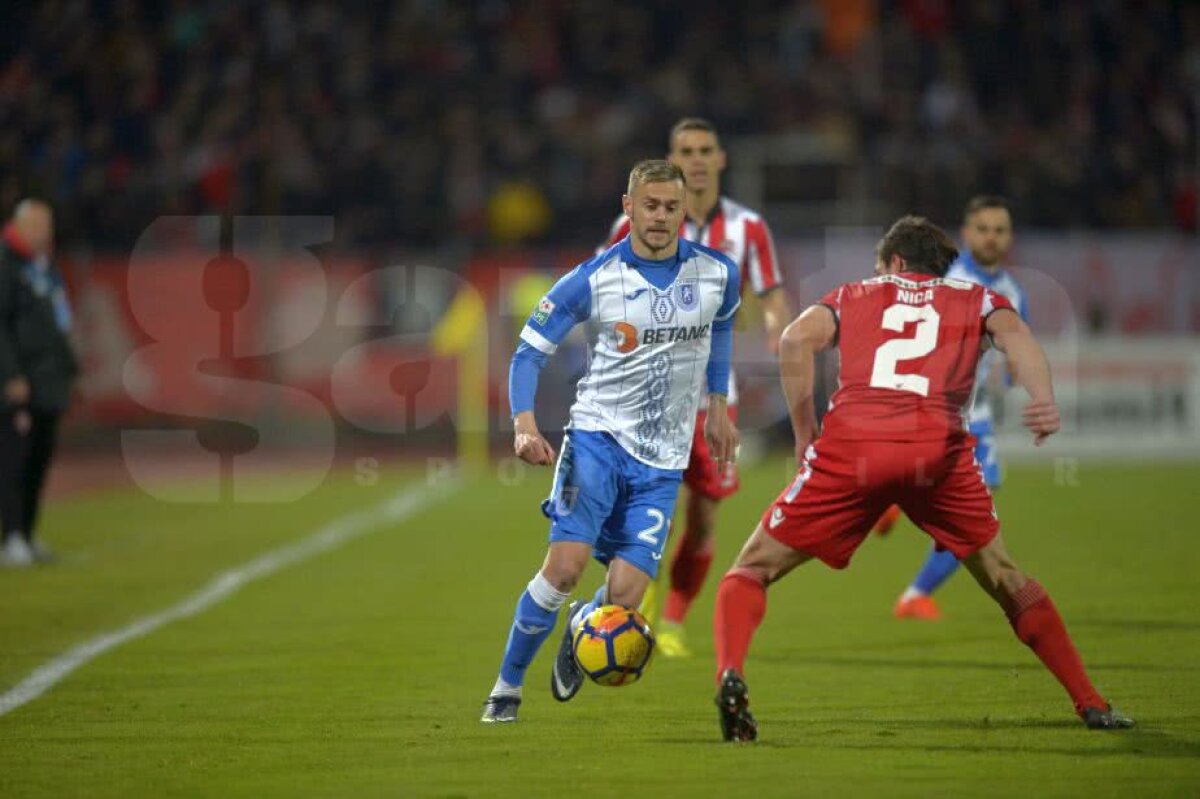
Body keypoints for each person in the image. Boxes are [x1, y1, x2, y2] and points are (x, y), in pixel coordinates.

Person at [710, 216, 1133, 741]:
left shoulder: (853, 293)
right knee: (1005, 578)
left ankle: (730, 672)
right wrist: (1043, 399)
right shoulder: (978, 299)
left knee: (750, 569)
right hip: (938, 454)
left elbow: (796, 340)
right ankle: (1090, 702)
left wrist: (804, 435)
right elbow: (1019, 340)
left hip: (853, 448)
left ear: (893, 262)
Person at [481, 160, 741, 723]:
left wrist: (717, 405)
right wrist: (524, 425)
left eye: (672, 207)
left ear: (684, 211)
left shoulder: (718, 274)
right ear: (629, 207)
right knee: (566, 568)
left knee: (625, 595)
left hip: (664, 459)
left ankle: (582, 627)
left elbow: (719, 329)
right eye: (650, 205)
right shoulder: (593, 278)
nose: (661, 217)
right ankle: (507, 687)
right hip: (597, 439)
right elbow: (529, 351)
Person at [601, 118, 791, 657]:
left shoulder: (748, 227)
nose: (697, 158)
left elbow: (772, 293)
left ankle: (673, 621)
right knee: (634, 505)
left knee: (704, 514)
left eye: (706, 149)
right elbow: (600, 278)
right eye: (686, 149)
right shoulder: (635, 220)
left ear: (722, 158)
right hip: (642, 394)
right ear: (672, 156)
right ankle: (633, 606)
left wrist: (781, 325)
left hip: (712, 395)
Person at [880, 196, 1029, 620]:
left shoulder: (1013, 292)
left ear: (1010, 237)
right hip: (948, 416)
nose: (992, 238)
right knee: (973, 512)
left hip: (970, 413)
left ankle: (895, 497)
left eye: (999, 230)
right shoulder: (949, 280)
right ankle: (913, 589)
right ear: (966, 233)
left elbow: (1019, 347)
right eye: (983, 229)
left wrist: (1012, 370)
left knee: (969, 510)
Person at [0, 199, 77, 567]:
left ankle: (27, 535)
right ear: (21, 225)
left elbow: (59, 323)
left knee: (39, 459)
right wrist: (10, 373)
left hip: (48, 381)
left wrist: (69, 369)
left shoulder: (44, 266)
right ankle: (12, 537)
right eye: (40, 224)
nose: (47, 231)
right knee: (14, 460)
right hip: (19, 381)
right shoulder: (5, 263)